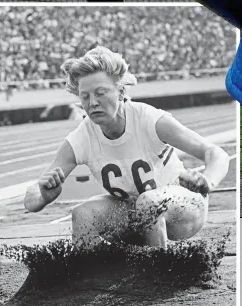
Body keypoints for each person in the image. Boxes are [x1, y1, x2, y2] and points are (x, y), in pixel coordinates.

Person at [24, 46, 229, 250]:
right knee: (83, 214)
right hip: (135, 211)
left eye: (100, 93)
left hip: (184, 207)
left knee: (147, 202)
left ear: (121, 91)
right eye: (84, 96)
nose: (92, 102)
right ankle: (90, 277)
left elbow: (215, 153)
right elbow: (32, 197)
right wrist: (43, 196)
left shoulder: (150, 120)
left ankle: (159, 274)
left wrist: (207, 181)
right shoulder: (81, 137)